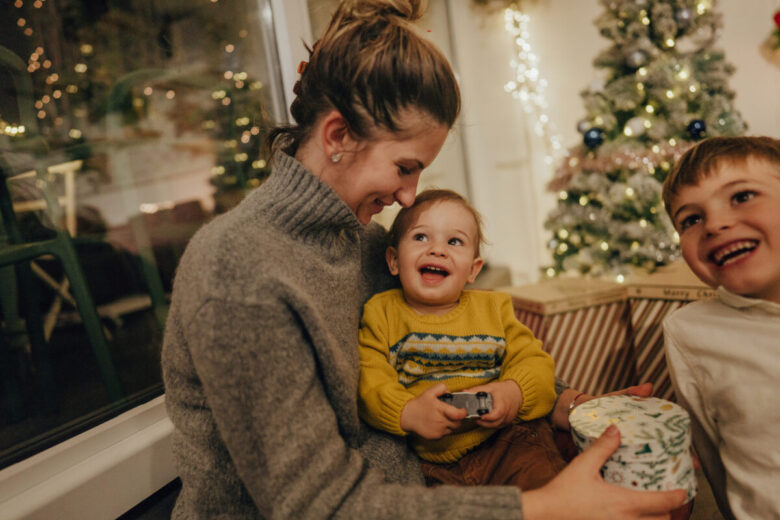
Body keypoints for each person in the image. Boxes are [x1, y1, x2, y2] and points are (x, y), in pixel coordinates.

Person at [162, 0, 686, 517]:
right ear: (338, 136)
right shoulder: (238, 273)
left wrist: (564, 405)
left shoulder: (362, 243)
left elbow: (468, 346)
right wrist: (541, 509)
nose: (409, 198)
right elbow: (316, 504)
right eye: (404, 167)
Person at [358, 188, 565, 490]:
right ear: (393, 261)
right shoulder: (382, 313)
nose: (437, 250)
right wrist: (407, 412)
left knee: (547, 491)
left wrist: (512, 393)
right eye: (421, 237)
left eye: (454, 242)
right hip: (429, 460)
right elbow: (369, 379)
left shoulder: (494, 308)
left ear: (473, 269)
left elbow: (536, 363)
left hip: (508, 442)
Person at [661, 135, 780, 520]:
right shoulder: (689, 331)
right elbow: (712, 455)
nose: (715, 224)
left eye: (742, 196)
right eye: (691, 219)